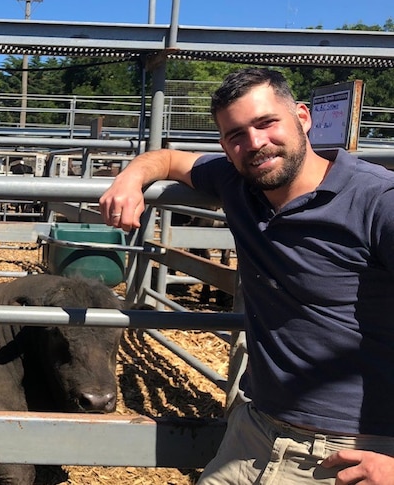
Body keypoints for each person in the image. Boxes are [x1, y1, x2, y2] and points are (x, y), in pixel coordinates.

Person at [100, 67, 394, 484]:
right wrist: (130, 178)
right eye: (236, 134)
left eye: (266, 123)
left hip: (351, 452)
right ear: (224, 144)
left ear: (303, 118)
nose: (255, 143)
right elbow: (165, 158)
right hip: (254, 433)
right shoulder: (236, 182)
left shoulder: (377, 202)